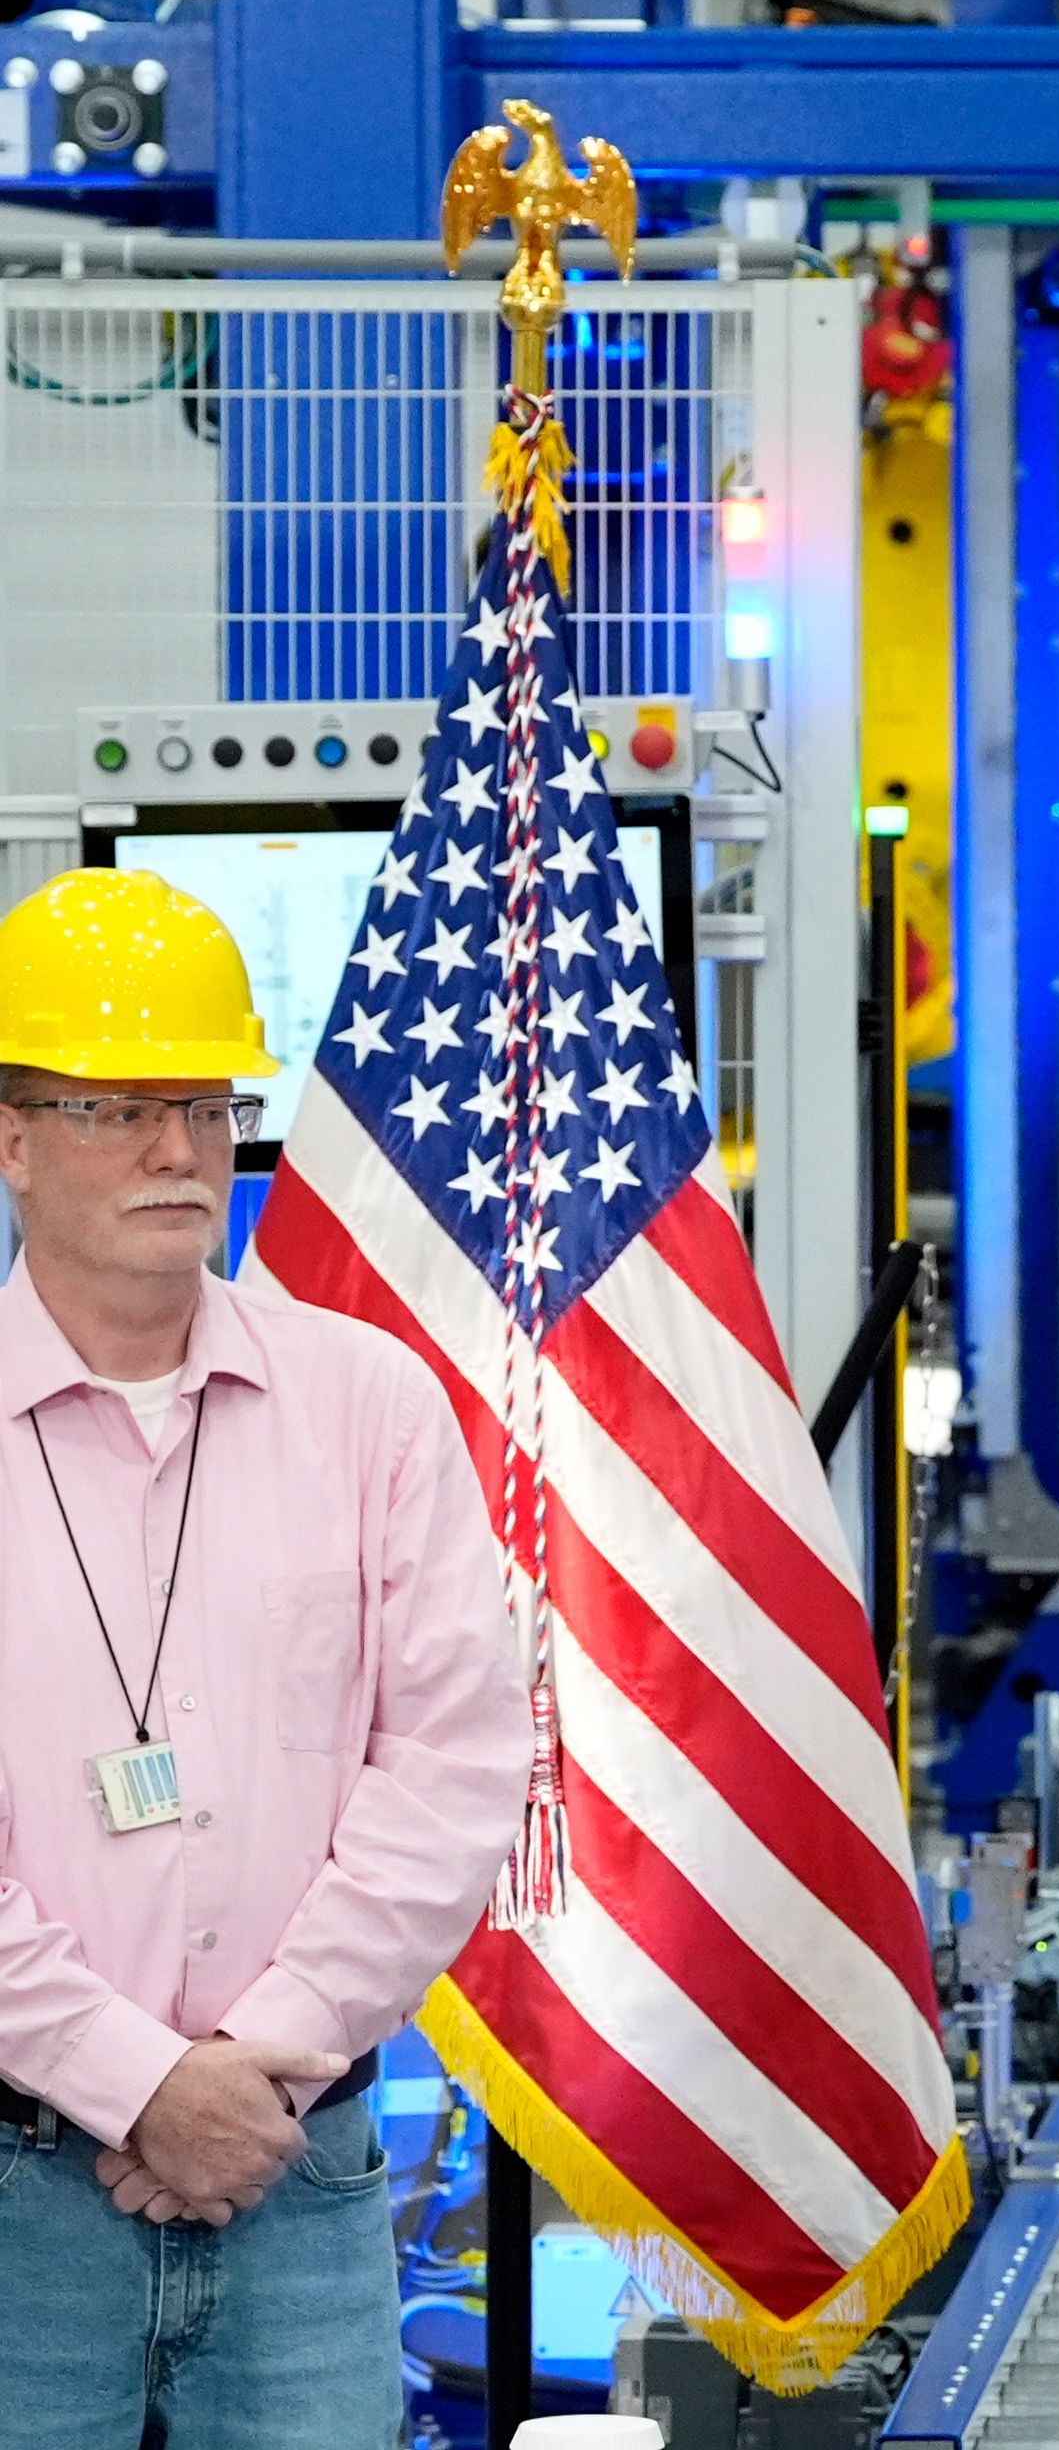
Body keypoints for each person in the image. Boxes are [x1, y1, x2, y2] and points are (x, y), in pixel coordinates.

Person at [0, 868, 532, 2446]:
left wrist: (243, 2078)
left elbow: (454, 1769)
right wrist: (136, 2081)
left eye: (208, 1105)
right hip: (22, 2195)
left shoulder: (368, 1407)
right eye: (119, 1110)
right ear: (11, 1138)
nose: (178, 1151)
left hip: (299, 2185)